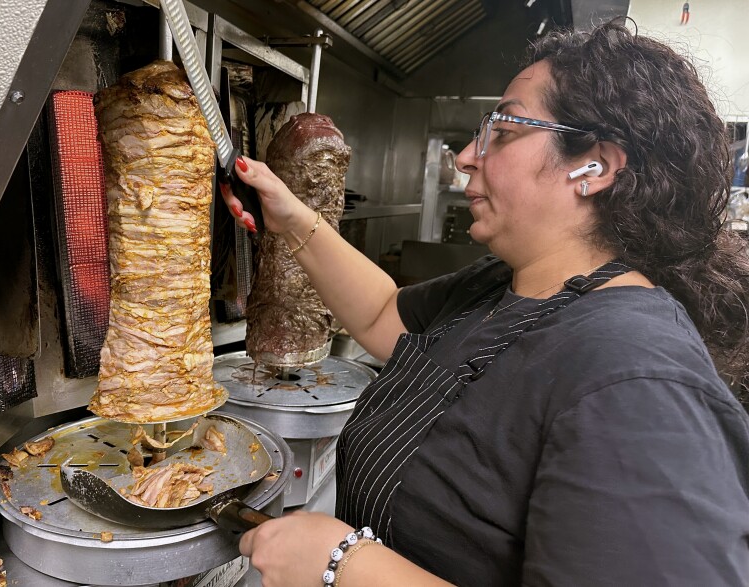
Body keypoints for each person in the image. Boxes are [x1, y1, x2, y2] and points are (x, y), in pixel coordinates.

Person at [221, 22, 749, 587]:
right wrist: (291, 216)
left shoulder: (639, 379)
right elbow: (381, 315)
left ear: (594, 166)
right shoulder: (503, 285)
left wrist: (345, 565)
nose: (467, 157)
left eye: (503, 130)